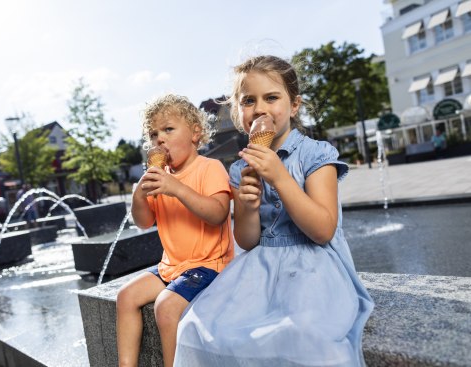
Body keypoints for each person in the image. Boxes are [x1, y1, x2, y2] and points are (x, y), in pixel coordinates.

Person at [175, 56, 374, 366]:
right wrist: (249, 206)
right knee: (198, 327)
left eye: (271, 97)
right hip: (260, 268)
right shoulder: (241, 168)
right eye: (249, 101)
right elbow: (246, 240)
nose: (260, 108)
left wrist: (280, 177)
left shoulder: (315, 154)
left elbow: (323, 230)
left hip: (313, 266)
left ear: (294, 106)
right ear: (239, 114)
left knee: (301, 332)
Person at [116, 94, 234, 367]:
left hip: (210, 264)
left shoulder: (209, 168)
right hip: (172, 266)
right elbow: (144, 222)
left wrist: (177, 188)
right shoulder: (159, 179)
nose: (160, 139)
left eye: (169, 129)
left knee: (166, 308)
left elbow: (217, 214)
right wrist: (139, 197)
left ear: (196, 133)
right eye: (153, 133)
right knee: (126, 296)